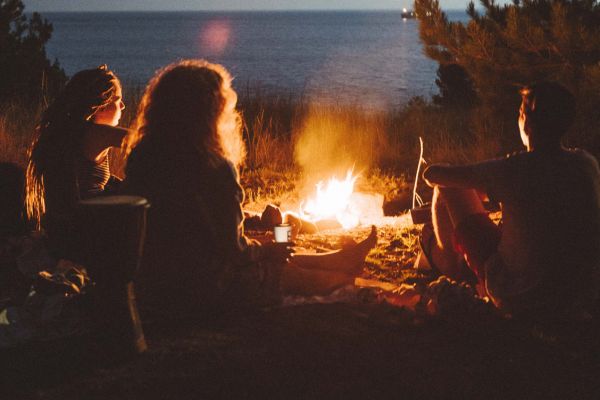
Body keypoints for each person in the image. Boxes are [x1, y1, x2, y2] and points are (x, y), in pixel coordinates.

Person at [122, 59, 377, 316]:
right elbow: (235, 251)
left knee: (274, 255)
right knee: (289, 272)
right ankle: (340, 277)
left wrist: (264, 249)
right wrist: (265, 249)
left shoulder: (142, 158)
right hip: (204, 287)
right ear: (211, 112)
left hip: (154, 282)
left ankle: (337, 259)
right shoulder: (214, 168)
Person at [421, 81, 600, 320]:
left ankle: (448, 265)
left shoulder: (515, 168)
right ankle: (447, 257)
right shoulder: (586, 163)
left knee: (449, 188)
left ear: (526, 121)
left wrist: (478, 185)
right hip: (580, 296)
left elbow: (433, 175)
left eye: (519, 113)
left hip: (521, 297)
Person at [26, 65, 128, 257]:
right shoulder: (95, 133)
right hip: (87, 232)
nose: (123, 106)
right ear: (100, 105)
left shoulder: (67, 133)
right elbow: (147, 144)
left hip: (64, 232)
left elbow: (86, 181)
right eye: (117, 100)